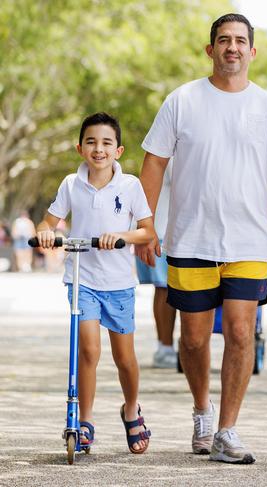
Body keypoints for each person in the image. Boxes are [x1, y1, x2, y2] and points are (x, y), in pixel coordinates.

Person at [136, 13, 267, 464]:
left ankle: (227, 431)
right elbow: (154, 162)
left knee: (240, 333)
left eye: (240, 41)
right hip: (190, 240)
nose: (232, 47)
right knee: (194, 340)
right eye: (223, 40)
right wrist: (145, 224)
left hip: (249, 242)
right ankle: (202, 411)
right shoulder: (182, 101)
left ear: (252, 52)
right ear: (210, 49)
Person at [35, 112, 156, 454]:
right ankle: (82, 420)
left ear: (118, 150)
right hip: (82, 278)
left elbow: (148, 231)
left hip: (118, 282)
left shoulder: (130, 186)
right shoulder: (71, 185)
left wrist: (121, 235)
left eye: (106, 143)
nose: (98, 149)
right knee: (87, 350)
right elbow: (49, 220)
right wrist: (45, 231)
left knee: (124, 357)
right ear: (80, 148)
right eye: (91, 142)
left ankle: (131, 409)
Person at [135, 160, 178, 368]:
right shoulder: (170, 145)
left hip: (178, 229)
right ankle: (165, 347)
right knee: (164, 289)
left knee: (170, 289)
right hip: (161, 229)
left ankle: (171, 346)